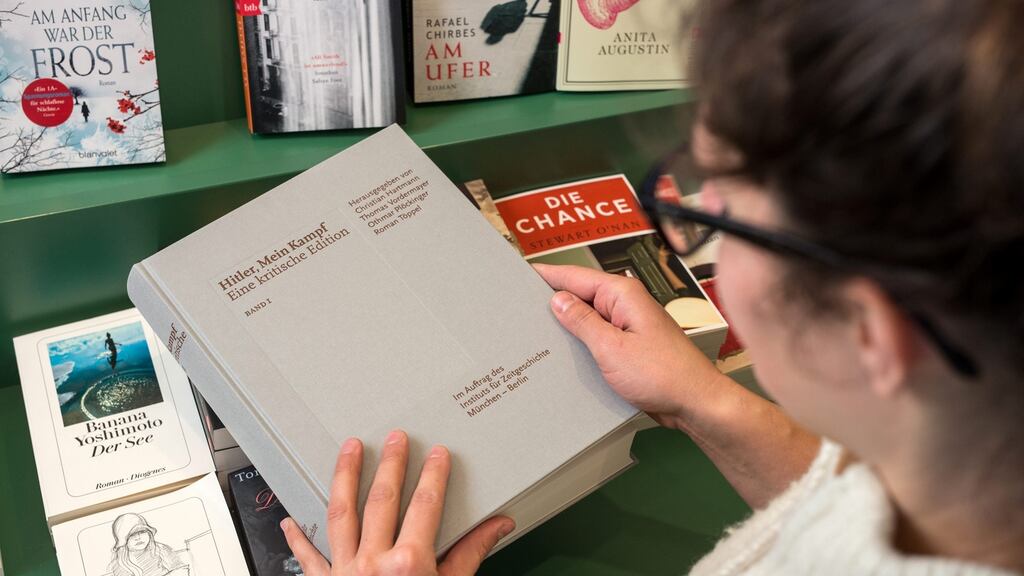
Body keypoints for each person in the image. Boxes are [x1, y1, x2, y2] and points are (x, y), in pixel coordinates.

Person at [280, 0, 1024, 573]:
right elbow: (852, 513)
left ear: (867, 337)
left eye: (728, 214)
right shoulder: (957, 484)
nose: (708, 225)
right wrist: (705, 400)